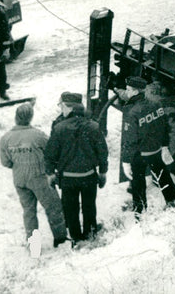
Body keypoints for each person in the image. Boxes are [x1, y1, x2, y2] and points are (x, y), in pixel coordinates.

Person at [0, 103, 68, 249]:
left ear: (16, 117)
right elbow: (52, 152)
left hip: (19, 179)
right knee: (53, 207)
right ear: (30, 117)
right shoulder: (38, 135)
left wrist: (19, 164)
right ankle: (60, 239)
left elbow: (5, 162)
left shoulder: (6, 138)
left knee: (29, 212)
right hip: (39, 177)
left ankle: (34, 246)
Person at [44, 92, 109, 244]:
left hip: (68, 178)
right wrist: (103, 172)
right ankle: (90, 233)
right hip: (89, 176)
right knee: (89, 206)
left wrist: (50, 173)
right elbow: (102, 151)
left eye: (61, 105)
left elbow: (50, 154)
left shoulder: (59, 127)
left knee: (70, 209)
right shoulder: (93, 126)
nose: (60, 108)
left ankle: (76, 238)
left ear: (69, 107)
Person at [120, 76, 175, 214]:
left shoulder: (132, 112)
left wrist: (126, 160)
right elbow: (165, 127)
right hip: (156, 150)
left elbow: (130, 139)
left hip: (140, 153)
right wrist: (164, 146)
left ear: (135, 92)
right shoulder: (156, 104)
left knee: (138, 183)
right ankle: (173, 201)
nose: (127, 92)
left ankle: (140, 212)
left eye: (129, 90)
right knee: (163, 175)